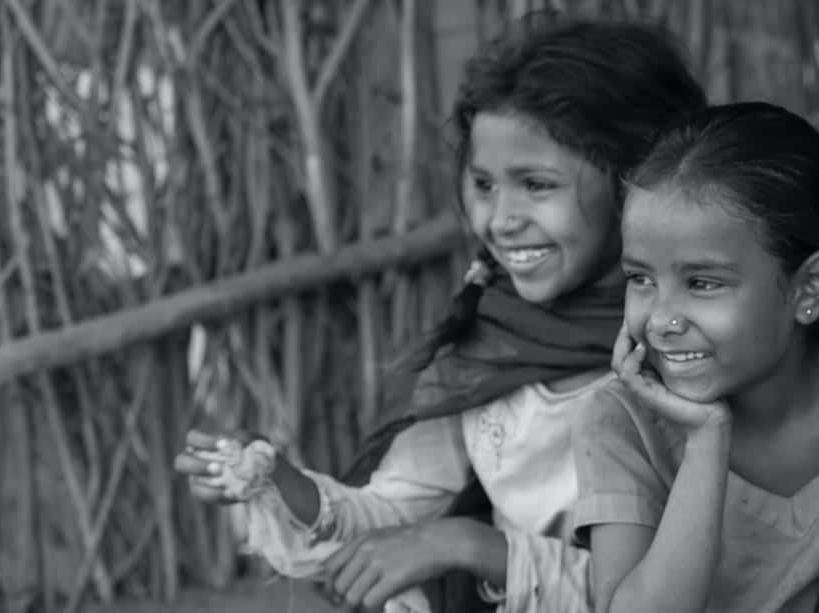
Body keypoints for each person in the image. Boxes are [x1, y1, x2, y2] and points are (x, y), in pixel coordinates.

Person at [172, 18, 705, 613]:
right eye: (483, 184)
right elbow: (390, 523)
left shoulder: (690, 362)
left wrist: (474, 546)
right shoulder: (485, 348)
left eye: (535, 184)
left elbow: (694, 591)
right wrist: (275, 479)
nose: (500, 219)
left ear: (637, 187)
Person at [572, 102, 819, 613]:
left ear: (808, 288)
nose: (662, 319)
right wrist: (707, 443)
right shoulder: (621, 419)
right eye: (640, 278)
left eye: (702, 283)